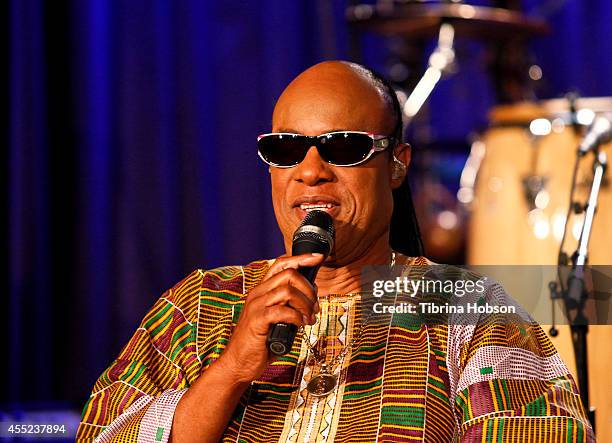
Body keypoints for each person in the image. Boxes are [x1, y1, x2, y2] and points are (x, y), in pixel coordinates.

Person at [77, 61, 594, 442]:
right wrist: (232, 368)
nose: (309, 171)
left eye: (343, 147)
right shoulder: (197, 306)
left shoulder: (467, 309)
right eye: (284, 149)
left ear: (396, 165)